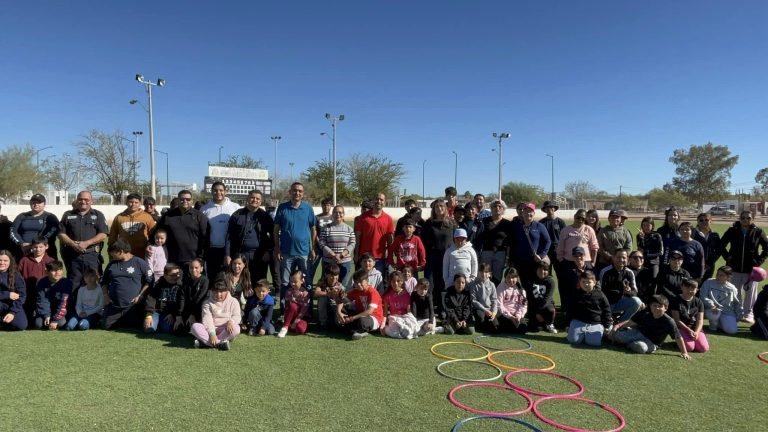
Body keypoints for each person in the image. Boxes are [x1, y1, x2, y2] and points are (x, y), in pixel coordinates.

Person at [720, 210, 768, 324]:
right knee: (735, 291)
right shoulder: (732, 230)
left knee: (751, 293)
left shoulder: (758, 231)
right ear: (739, 219)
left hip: (751, 270)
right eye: (743, 218)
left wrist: (758, 261)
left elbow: (767, 248)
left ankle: (748, 314)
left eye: (748, 218)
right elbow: (721, 244)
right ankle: (737, 312)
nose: (746, 220)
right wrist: (728, 257)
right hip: (734, 268)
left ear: (752, 219)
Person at [609, 295, 690, 359]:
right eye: (654, 305)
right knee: (614, 335)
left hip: (652, 343)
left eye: (660, 306)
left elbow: (678, 337)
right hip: (638, 333)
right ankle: (609, 334)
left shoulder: (669, 321)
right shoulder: (646, 313)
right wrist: (618, 327)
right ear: (650, 306)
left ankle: (627, 343)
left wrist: (684, 352)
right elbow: (630, 322)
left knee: (641, 348)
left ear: (665, 308)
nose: (657, 308)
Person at [58, 191, 108, 291]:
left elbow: (103, 234)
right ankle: (74, 306)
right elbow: (61, 234)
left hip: (92, 256)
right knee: (73, 283)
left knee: (93, 282)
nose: (83, 201)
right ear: (77, 200)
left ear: (91, 201)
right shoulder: (68, 215)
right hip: (73, 256)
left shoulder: (98, 215)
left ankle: (93, 306)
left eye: (86, 199)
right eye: (80, 199)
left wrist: (87, 243)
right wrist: (73, 244)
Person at [273, 182, 316, 300]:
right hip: (287, 252)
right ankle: (284, 311)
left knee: (307, 282)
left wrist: (312, 248)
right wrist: (277, 247)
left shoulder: (308, 208)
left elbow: (313, 229)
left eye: (300, 191)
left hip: (304, 253)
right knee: (285, 283)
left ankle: (308, 310)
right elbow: (276, 229)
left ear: (303, 194)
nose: (297, 193)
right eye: (295, 190)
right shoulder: (282, 208)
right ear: (290, 192)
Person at [100, 240, 154, 330]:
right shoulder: (111, 264)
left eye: (113, 254)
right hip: (114, 306)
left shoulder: (139, 263)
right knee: (106, 326)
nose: (111, 256)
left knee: (135, 326)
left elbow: (149, 281)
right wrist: (105, 295)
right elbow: (104, 282)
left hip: (132, 307)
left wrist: (140, 296)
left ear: (121, 251)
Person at [156, 190, 209, 279]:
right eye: (182, 199)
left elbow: (205, 238)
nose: (185, 201)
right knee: (175, 286)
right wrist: (150, 244)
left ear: (192, 200)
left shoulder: (199, 216)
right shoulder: (168, 216)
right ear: (178, 199)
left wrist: (201, 257)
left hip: (193, 260)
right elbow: (157, 233)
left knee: (191, 287)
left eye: (188, 199)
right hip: (172, 259)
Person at [226, 189, 274, 284]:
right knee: (241, 281)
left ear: (261, 201)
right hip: (240, 254)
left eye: (257, 198)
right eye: (252, 197)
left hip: (259, 255)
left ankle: (257, 299)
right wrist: (227, 255)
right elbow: (229, 237)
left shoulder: (266, 216)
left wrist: (268, 252)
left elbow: (273, 236)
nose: (254, 200)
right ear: (247, 198)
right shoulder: (237, 215)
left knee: (259, 282)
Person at [420, 199, 457, 310]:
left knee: (443, 282)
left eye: (441, 206)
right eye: (437, 207)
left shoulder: (451, 223)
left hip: (446, 258)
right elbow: (423, 242)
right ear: (434, 209)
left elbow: (456, 241)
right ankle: (428, 307)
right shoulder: (428, 223)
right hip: (431, 257)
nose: (439, 208)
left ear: (445, 208)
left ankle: (442, 308)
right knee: (429, 282)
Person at [201, 182, 241, 280]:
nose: (218, 192)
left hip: (230, 250)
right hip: (212, 249)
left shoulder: (235, 207)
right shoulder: (205, 209)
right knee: (213, 278)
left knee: (230, 278)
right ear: (212, 192)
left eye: (221, 190)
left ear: (225, 192)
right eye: (215, 190)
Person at [190, 277, 241, 350]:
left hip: (225, 329)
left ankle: (205, 343)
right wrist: (212, 334)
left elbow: (237, 316)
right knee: (195, 326)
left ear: (226, 291)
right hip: (210, 329)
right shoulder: (207, 303)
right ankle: (220, 344)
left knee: (236, 328)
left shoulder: (234, 301)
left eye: (221, 291)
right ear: (212, 291)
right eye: (216, 292)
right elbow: (207, 319)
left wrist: (231, 321)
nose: (218, 294)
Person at [509, 203, 551, 287]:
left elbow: (548, 241)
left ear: (534, 213)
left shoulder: (539, 226)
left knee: (537, 286)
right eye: (526, 211)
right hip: (521, 262)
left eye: (530, 211)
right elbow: (511, 243)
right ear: (522, 213)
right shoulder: (516, 226)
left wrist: (542, 255)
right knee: (525, 285)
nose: (528, 213)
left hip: (535, 262)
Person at [337, 268, 385, 340]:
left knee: (362, 321)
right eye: (356, 282)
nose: (358, 284)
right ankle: (358, 331)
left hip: (374, 318)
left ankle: (358, 331)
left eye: (360, 282)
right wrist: (339, 312)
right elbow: (342, 300)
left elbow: (369, 311)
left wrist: (352, 318)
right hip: (360, 315)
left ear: (367, 281)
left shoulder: (372, 292)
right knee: (344, 311)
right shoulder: (356, 291)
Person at [567, 271, 612, 347]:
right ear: (580, 282)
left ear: (594, 283)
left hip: (595, 323)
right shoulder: (576, 293)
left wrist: (607, 326)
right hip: (578, 322)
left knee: (593, 343)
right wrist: (568, 324)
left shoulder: (600, 295)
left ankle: (592, 334)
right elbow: (570, 309)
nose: (586, 284)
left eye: (589, 282)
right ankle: (579, 333)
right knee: (573, 341)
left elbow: (607, 310)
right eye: (583, 282)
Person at [354, 192, 395, 276]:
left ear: (385, 202)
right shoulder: (363, 217)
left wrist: (390, 258)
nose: (379, 201)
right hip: (364, 257)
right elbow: (357, 239)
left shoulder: (388, 219)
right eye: (377, 199)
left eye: (381, 200)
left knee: (378, 285)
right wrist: (356, 255)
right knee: (362, 284)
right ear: (373, 200)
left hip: (380, 259)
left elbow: (390, 241)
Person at [10, 194, 60, 261]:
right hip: (23, 251)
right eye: (34, 202)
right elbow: (13, 231)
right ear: (30, 203)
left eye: (39, 202)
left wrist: (35, 244)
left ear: (44, 204)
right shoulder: (22, 216)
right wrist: (22, 244)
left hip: (44, 251)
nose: (36, 204)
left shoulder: (50, 217)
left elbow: (53, 232)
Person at [598, 249, 642, 322]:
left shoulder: (629, 272)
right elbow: (600, 292)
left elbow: (635, 292)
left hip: (620, 302)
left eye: (624, 258)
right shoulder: (605, 271)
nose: (621, 260)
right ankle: (609, 319)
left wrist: (629, 292)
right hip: (607, 304)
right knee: (607, 328)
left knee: (637, 302)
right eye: (618, 257)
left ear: (627, 259)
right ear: (613, 258)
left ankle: (620, 323)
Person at [108, 193, 156, 259]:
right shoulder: (119, 217)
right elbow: (112, 237)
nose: (133, 204)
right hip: (124, 255)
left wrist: (150, 246)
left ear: (140, 204)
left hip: (142, 255)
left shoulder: (147, 217)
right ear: (126, 203)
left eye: (136, 202)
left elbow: (153, 235)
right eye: (131, 202)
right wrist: (111, 252)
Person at [18, 236, 54, 323]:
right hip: (28, 293)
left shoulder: (50, 261)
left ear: (46, 246)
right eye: (35, 247)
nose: (38, 249)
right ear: (31, 247)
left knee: (39, 323)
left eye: (41, 247)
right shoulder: (24, 260)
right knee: (28, 322)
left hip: (45, 295)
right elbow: (18, 277)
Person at [318, 205, 356, 287]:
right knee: (328, 285)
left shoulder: (349, 229)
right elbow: (321, 243)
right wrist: (333, 255)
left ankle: (339, 300)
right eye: (335, 212)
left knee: (342, 285)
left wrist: (342, 255)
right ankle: (328, 299)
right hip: (329, 261)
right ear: (332, 214)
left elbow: (352, 243)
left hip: (344, 262)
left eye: (340, 212)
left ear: (343, 214)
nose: (338, 214)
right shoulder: (326, 228)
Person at [477, 199, 513, 284]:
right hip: (486, 252)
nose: (497, 208)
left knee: (497, 276)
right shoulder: (484, 221)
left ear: (503, 209)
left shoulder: (507, 224)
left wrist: (507, 256)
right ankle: (485, 295)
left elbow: (509, 242)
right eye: (495, 206)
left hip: (500, 253)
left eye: (500, 206)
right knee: (485, 275)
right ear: (491, 208)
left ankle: (495, 294)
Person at [669, 279, 709, 352]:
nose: (690, 291)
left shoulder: (699, 302)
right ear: (682, 287)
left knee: (703, 348)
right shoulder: (675, 300)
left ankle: (693, 339)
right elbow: (677, 320)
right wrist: (688, 330)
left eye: (693, 288)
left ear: (697, 290)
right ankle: (678, 341)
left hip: (694, 329)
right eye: (687, 287)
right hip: (681, 328)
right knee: (689, 348)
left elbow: (700, 320)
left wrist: (696, 332)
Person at [700, 266, 742, 334]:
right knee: (714, 315)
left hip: (726, 311)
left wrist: (739, 315)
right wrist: (711, 305)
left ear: (728, 277)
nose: (718, 277)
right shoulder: (709, 282)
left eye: (721, 275)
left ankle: (719, 323)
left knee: (732, 331)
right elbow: (703, 296)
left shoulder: (732, 288)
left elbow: (737, 303)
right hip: (710, 309)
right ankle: (713, 325)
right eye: (717, 274)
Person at [143, 263, 183, 334]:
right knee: (148, 328)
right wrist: (149, 315)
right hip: (156, 312)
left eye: (177, 274)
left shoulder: (180, 286)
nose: (176, 277)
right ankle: (155, 325)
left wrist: (173, 314)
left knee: (168, 330)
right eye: (172, 275)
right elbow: (151, 299)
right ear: (165, 275)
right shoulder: (158, 284)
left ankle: (160, 325)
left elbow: (181, 302)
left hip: (169, 313)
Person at [34, 260, 72, 330]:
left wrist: (55, 319)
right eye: (54, 270)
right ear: (47, 272)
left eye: (60, 270)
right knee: (38, 324)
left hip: (60, 312)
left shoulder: (67, 283)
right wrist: (46, 315)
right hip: (47, 310)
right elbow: (42, 300)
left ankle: (55, 322)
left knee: (61, 323)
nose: (57, 273)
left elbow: (63, 303)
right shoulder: (42, 282)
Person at [381, 271, 417, 338]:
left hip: (405, 317)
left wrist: (411, 320)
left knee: (413, 325)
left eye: (398, 281)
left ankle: (404, 331)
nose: (396, 284)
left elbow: (408, 312)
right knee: (393, 330)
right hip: (394, 318)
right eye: (393, 281)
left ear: (402, 281)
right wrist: (383, 325)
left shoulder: (406, 295)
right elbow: (385, 313)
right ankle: (403, 332)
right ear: (390, 282)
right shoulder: (387, 296)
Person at [177, 258, 210, 331]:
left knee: (197, 329)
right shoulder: (185, 281)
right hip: (187, 310)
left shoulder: (205, 281)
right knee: (178, 330)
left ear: (201, 268)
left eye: (196, 268)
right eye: (191, 268)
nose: (193, 270)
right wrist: (179, 316)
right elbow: (182, 299)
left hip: (199, 311)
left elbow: (200, 299)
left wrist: (193, 315)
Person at [307, 197, 334, 286]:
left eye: (328, 205)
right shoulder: (317, 217)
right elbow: (314, 231)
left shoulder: (334, 217)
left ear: (331, 206)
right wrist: (317, 243)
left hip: (329, 249)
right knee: (312, 267)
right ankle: (309, 284)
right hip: (318, 248)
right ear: (321, 206)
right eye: (324, 205)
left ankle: (323, 285)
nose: (326, 207)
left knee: (326, 269)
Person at [277, 270, 311, 337]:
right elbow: (287, 307)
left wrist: (296, 322)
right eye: (291, 281)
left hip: (301, 318)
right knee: (293, 305)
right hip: (290, 316)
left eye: (295, 282)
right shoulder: (288, 291)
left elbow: (303, 310)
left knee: (301, 329)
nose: (292, 284)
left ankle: (291, 326)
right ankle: (285, 327)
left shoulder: (305, 294)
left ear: (302, 280)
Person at [0, 250, 27, 331]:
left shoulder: (16, 275)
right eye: (0, 260)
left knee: (21, 325)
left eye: (5, 260)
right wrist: (7, 295)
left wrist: (12, 312)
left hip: (11, 305)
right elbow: (9, 295)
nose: (2, 263)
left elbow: (22, 295)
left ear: (10, 261)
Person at [496, 267, 528, 334]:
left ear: (517, 278)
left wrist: (518, 316)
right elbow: (499, 305)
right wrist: (510, 316)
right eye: (508, 277)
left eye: (513, 277)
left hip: (517, 315)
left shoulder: (521, 289)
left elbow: (523, 305)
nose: (511, 280)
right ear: (505, 277)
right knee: (508, 326)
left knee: (523, 329)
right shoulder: (501, 287)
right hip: (505, 315)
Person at [527, 261, 557, 333]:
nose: (542, 272)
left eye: (545, 270)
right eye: (540, 269)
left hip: (545, 306)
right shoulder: (531, 280)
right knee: (534, 329)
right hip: (534, 306)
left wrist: (539, 312)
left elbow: (547, 298)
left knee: (551, 310)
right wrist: (535, 313)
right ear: (536, 269)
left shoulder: (550, 281)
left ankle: (549, 324)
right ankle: (541, 324)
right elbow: (530, 298)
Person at [468, 263, 498, 333]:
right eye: (481, 271)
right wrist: (485, 310)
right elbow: (474, 300)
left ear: (489, 274)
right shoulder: (473, 284)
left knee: (496, 327)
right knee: (481, 319)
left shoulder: (492, 285)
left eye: (486, 272)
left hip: (489, 309)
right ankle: (477, 322)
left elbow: (494, 300)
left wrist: (494, 312)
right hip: (479, 309)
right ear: (478, 272)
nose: (483, 274)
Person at [313, 263, 344, 331]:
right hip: (324, 306)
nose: (334, 278)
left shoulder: (339, 285)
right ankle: (323, 323)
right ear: (326, 275)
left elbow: (343, 299)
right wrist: (328, 294)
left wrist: (339, 294)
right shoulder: (322, 282)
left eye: (336, 275)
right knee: (322, 298)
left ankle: (334, 321)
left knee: (337, 324)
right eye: (332, 275)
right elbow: (316, 293)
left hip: (334, 306)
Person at [693, 212, 722, 281]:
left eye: (706, 220)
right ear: (697, 221)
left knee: (706, 286)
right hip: (695, 265)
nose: (704, 222)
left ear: (710, 221)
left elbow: (718, 251)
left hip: (709, 266)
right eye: (701, 220)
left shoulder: (715, 235)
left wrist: (709, 263)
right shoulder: (692, 234)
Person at [539, 201, 566, 276]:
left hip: (558, 250)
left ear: (554, 209)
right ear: (544, 210)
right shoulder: (541, 223)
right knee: (546, 273)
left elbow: (565, 237)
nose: (549, 209)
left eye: (551, 207)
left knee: (560, 273)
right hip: (546, 251)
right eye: (547, 208)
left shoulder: (560, 222)